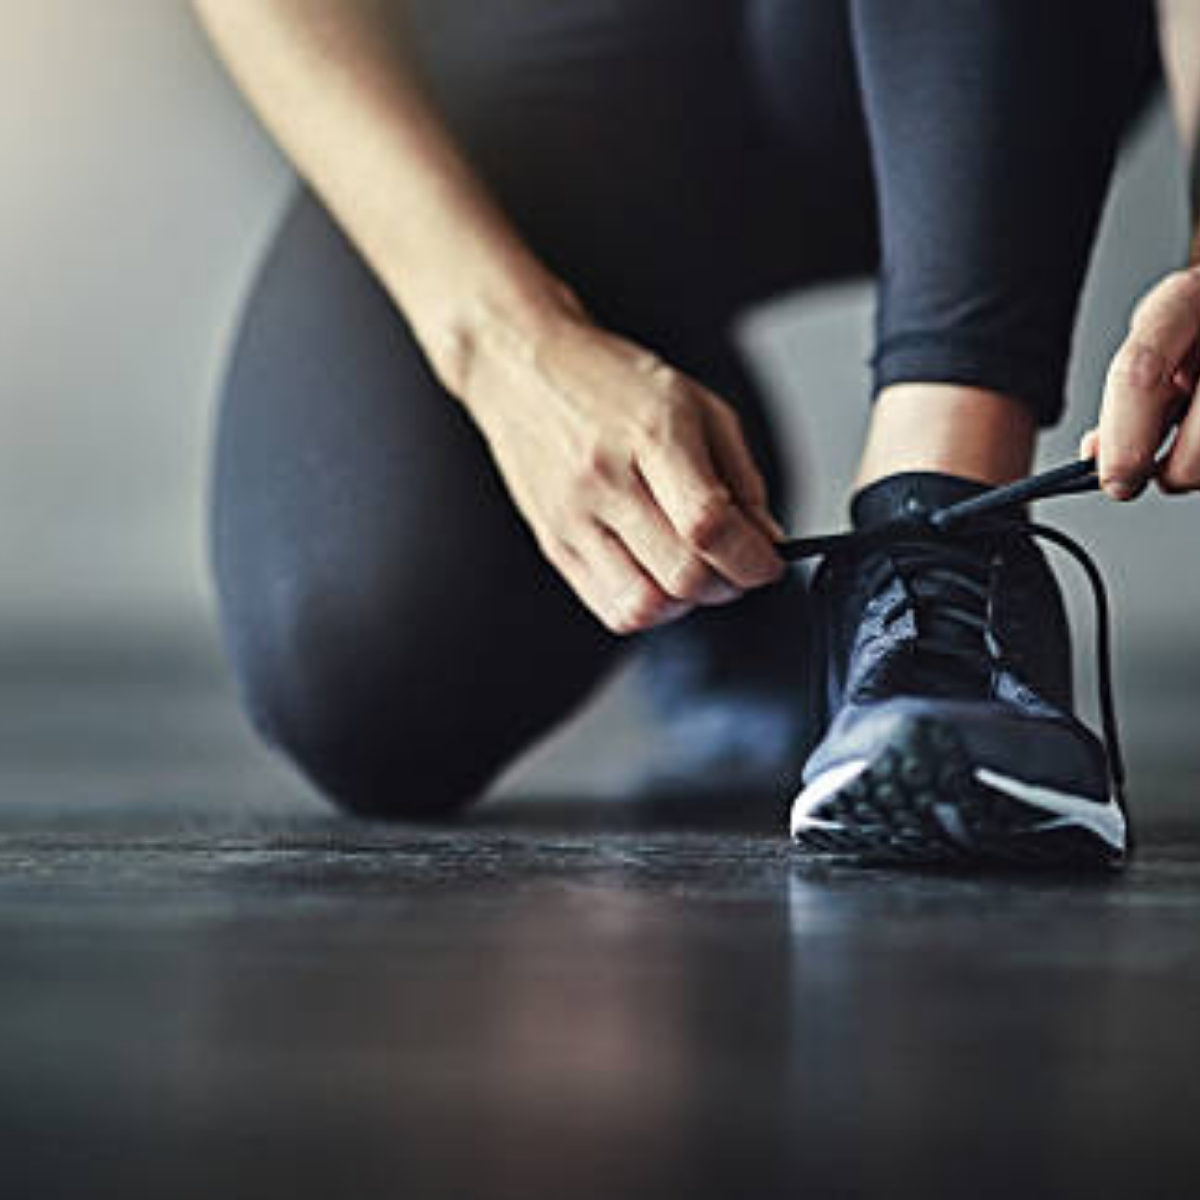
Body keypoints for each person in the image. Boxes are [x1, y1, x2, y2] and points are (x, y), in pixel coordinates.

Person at [194, 0, 1195, 868]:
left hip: (971, 54)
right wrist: (505, 344)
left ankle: (941, 547)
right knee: (364, 680)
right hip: (545, 67)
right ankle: (719, 544)